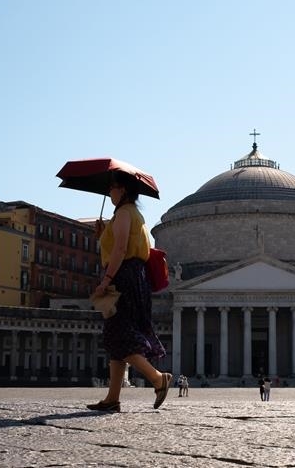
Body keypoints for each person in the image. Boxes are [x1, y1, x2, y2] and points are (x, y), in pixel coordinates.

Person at [86, 171, 171, 413]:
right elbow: (125, 244)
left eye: (112, 187)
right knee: (116, 338)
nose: (109, 192)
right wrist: (104, 235)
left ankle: (157, 378)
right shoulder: (133, 214)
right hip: (135, 278)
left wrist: (106, 279)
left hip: (124, 277)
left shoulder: (123, 213)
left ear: (122, 189)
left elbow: (121, 249)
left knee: (119, 334)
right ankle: (112, 398)